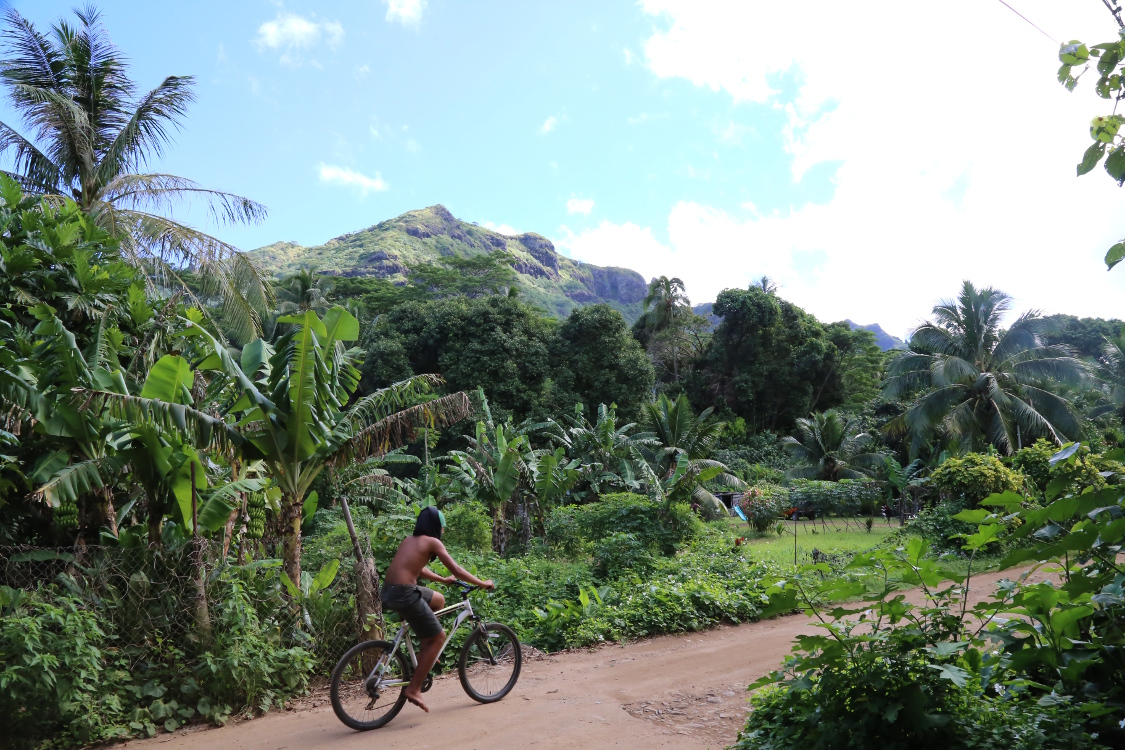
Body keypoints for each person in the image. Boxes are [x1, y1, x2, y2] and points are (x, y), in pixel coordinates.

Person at [381, 506, 494, 713]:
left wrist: (442, 580)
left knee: (438, 600)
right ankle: (414, 688)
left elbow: (419, 568)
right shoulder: (433, 542)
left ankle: (426, 650)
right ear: (435, 527)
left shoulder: (409, 541)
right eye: (442, 527)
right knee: (439, 637)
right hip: (406, 593)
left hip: (390, 591)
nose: (442, 531)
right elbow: (457, 570)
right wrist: (482, 583)